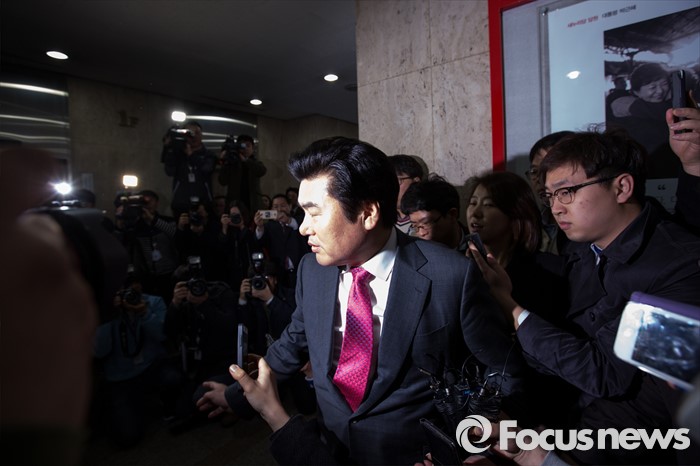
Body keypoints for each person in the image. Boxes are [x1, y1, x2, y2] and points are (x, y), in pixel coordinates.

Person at [196, 136, 525, 464]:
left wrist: (475, 446)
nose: (303, 228)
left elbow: (502, 370)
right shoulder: (313, 269)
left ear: (368, 213)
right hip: (330, 450)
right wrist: (235, 396)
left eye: (314, 213)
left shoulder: (451, 275)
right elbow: (293, 343)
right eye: (302, 213)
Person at [471, 128, 700, 464]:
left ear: (621, 187)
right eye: (549, 196)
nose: (555, 208)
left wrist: (510, 306)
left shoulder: (678, 264)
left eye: (567, 192)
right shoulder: (581, 251)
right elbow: (562, 349)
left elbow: (606, 373)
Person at [93, 274, 182, 447]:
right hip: (120, 378)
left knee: (174, 379)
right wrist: (108, 315)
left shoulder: (152, 302)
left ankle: (166, 403)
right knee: (127, 436)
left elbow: (163, 335)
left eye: (132, 290)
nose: (128, 295)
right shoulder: (103, 311)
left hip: (152, 366)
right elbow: (99, 351)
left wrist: (144, 313)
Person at [526, 131, 574, 254]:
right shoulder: (532, 223)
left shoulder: (583, 224)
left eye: (547, 169)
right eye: (534, 171)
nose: (539, 179)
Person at [253, 193, 310, 289]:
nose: (279, 209)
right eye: (275, 206)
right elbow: (259, 242)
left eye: (283, 206)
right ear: (271, 209)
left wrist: (288, 221)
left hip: (301, 271)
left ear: (290, 206)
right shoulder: (268, 227)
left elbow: (297, 227)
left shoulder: (300, 220)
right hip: (279, 273)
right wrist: (259, 227)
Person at [400, 174, 469, 253]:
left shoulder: (478, 244)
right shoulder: (413, 251)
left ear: (452, 214)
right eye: (415, 226)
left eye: (426, 223)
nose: (421, 233)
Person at [162, 121, 218, 216]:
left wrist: (191, 155)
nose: (194, 136)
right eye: (190, 133)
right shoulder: (178, 154)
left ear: (201, 135)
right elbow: (169, 171)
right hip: (181, 202)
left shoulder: (209, 154)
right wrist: (169, 148)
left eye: (197, 133)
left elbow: (207, 169)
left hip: (203, 202)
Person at [218, 134, 267, 212]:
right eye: (243, 146)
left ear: (253, 148)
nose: (245, 148)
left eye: (248, 146)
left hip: (253, 204)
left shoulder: (255, 162)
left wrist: (246, 160)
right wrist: (224, 161)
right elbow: (222, 181)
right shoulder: (232, 164)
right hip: (234, 204)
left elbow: (262, 171)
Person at [388, 154, 425, 234]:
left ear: (416, 181)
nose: (390, 188)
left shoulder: (427, 217)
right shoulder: (379, 220)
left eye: (397, 181)